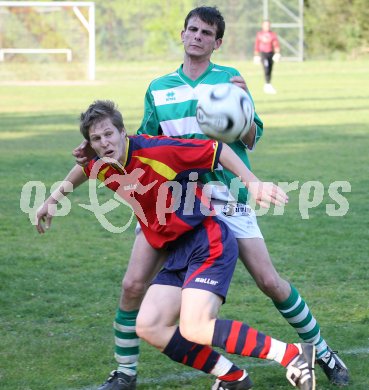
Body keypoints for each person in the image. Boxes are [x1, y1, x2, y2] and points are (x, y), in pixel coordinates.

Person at [74, 6, 348, 389]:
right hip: (175, 202)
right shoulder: (158, 87)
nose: (197, 36)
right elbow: (140, 143)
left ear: (217, 42)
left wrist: (245, 111)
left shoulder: (230, 81)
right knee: (133, 286)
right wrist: (100, 147)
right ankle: (125, 372)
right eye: (192, 29)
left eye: (206, 32)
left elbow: (251, 138)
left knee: (269, 281)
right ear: (182, 34)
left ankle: (322, 350)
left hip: (226, 193)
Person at [37, 100, 317, 390]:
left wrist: (253, 183)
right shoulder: (102, 164)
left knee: (195, 326)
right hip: (176, 250)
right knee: (149, 326)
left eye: (109, 134)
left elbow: (216, 150)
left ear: (123, 132)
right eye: (97, 139)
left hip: (207, 242)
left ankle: (292, 354)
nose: (105, 143)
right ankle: (233, 378)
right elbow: (83, 169)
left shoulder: (157, 151)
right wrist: (52, 200)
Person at [253, 19, 281, 94]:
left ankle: (268, 84)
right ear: (263, 26)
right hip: (263, 53)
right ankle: (267, 84)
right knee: (266, 67)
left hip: (270, 53)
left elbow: (276, 44)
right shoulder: (259, 34)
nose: (267, 27)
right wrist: (256, 55)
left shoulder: (273, 34)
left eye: (268, 25)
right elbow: (257, 45)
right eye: (266, 25)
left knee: (270, 68)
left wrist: (277, 53)